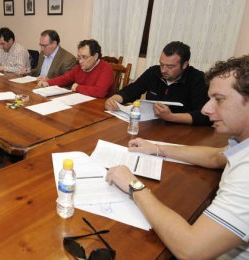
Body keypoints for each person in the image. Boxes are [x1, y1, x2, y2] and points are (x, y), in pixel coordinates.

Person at [106, 55, 249, 259]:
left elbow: (190, 249)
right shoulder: (241, 140)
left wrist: (133, 185)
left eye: (219, 99)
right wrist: (157, 148)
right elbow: (216, 156)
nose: (207, 108)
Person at [105, 41, 211, 125]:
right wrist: (114, 99)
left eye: (170, 66)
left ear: (184, 65)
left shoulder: (198, 79)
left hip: (183, 131)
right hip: (152, 126)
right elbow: (133, 90)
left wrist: (171, 117)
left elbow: (205, 116)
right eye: (161, 64)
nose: (163, 70)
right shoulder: (153, 72)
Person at [36, 39, 114, 98]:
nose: (80, 61)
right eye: (79, 57)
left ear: (95, 56)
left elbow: (100, 92)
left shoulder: (106, 69)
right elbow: (64, 78)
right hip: (82, 102)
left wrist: (77, 87)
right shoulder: (80, 67)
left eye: (84, 57)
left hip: (99, 108)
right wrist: (48, 83)